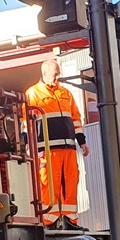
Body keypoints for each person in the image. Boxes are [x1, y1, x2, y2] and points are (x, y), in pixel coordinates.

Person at [25, 59, 90, 230]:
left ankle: (70, 221)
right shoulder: (32, 93)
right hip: (47, 150)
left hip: (68, 148)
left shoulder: (65, 93)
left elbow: (76, 119)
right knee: (49, 185)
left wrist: (82, 142)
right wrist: (27, 146)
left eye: (58, 75)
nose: (57, 79)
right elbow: (26, 123)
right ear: (44, 73)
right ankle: (49, 222)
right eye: (54, 75)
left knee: (71, 184)